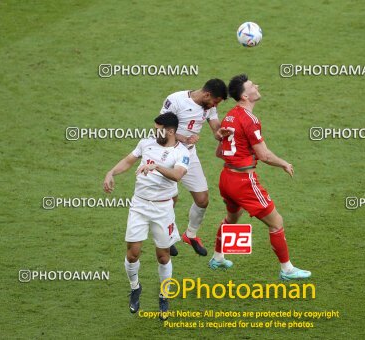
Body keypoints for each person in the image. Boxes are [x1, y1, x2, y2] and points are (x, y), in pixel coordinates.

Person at [210, 74, 311, 281]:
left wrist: (244, 153)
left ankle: (218, 257)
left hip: (226, 178)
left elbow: (219, 152)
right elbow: (264, 155)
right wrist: (284, 163)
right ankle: (287, 270)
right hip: (242, 182)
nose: (256, 85)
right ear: (245, 96)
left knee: (232, 218)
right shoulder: (250, 120)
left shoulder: (231, 115)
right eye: (251, 85)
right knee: (276, 222)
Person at [103, 112, 189, 319]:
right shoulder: (146, 143)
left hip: (162, 209)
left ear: (170, 131)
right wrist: (110, 173)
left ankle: (164, 295)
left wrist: (156, 166)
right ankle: (135, 288)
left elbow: (177, 176)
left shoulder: (181, 152)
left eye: (158, 129)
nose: (153, 132)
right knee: (133, 253)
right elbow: (128, 160)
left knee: (163, 256)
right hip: (139, 206)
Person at [160, 79, 228, 256]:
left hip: (189, 155)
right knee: (169, 200)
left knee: (202, 199)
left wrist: (219, 133)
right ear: (206, 95)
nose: (214, 106)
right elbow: (160, 129)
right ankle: (166, 237)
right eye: (215, 102)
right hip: (168, 154)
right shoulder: (175, 100)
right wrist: (183, 138)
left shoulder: (208, 106)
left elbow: (215, 125)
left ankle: (190, 235)